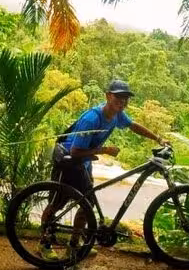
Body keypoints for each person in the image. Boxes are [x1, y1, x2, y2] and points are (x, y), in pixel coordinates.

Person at [40, 79, 170, 258]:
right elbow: (75, 151)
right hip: (68, 162)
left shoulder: (116, 114)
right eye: (118, 97)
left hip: (84, 163)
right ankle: (44, 245)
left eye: (125, 98)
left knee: (87, 204)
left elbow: (133, 126)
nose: (122, 101)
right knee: (57, 204)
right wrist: (105, 150)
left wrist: (158, 139)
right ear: (108, 96)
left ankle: (74, 245)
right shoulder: (91, 119)